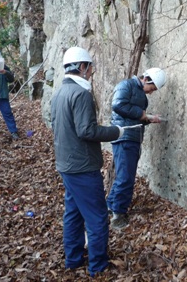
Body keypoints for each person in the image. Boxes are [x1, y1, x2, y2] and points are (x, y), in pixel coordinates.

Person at [51, 47, 123, 277]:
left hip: (67, 164)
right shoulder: (81, 94)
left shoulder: (59, 93)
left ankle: (73, 259)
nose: (92, 72)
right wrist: (116, 132)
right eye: (90, 67)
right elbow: (86, 130)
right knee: (97, 217)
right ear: (82, 67)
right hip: (82, 167)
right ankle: (98, 266)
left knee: (73, 214)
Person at [107, 67, 167, 230]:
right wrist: (143, 115)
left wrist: (148, 119)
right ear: (147, 79)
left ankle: (110, 207)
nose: (151, 92)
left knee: (124, 175)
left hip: (132, 137)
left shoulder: (139, 93)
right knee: (126, 177)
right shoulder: (126, 86)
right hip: (124, 136)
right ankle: (118, 215)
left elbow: (135, 116)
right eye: (152, 88)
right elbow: (118, 105)